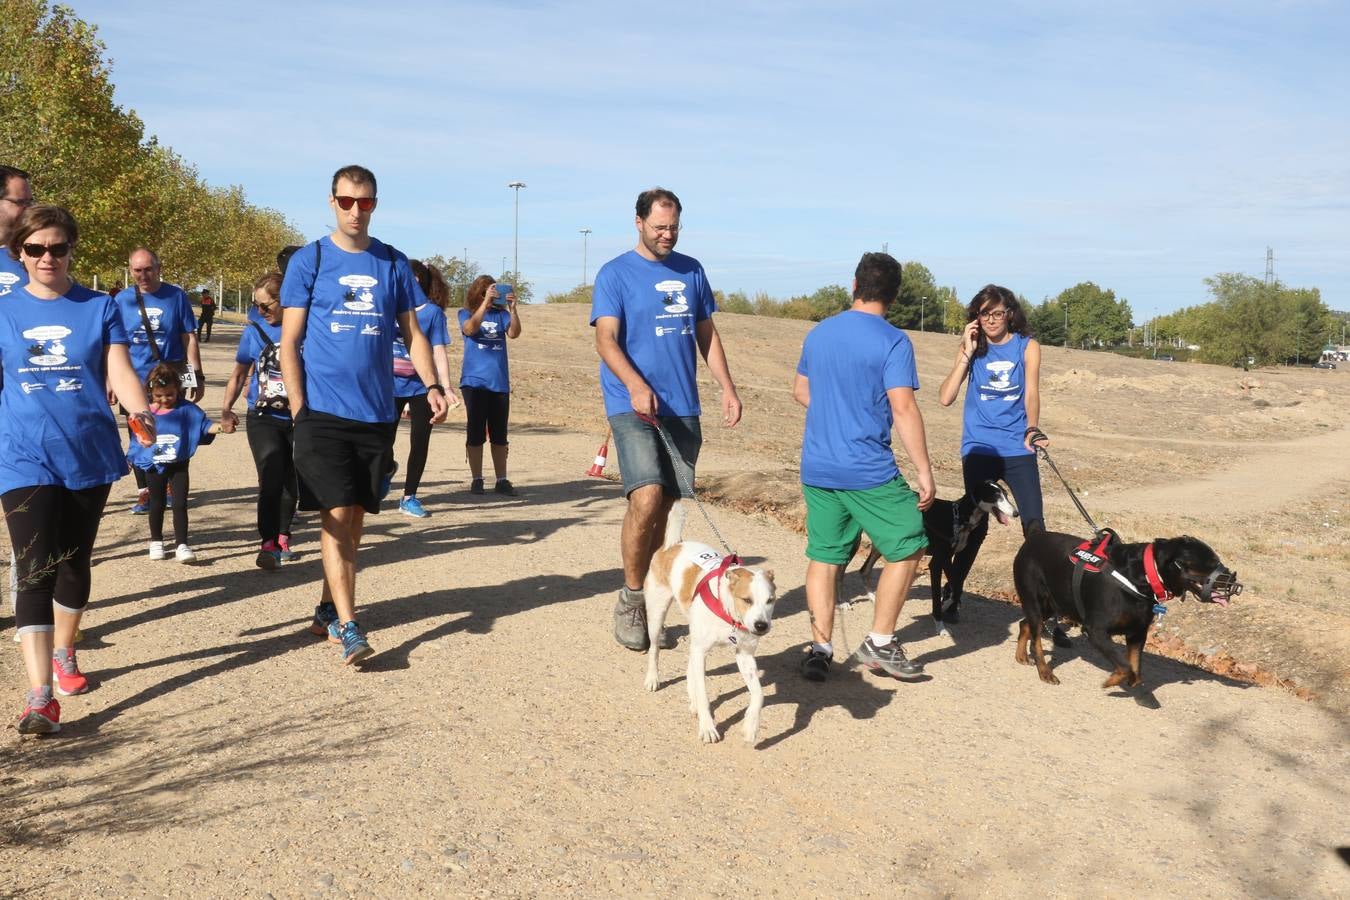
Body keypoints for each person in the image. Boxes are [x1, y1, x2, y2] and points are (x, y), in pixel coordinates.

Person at [279, 164, 448, 665]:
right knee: (335, 513)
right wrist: (298, 407)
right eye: (348, 201)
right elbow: (290, 342)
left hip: (377, 413)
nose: (356, 210)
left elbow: (414, 335)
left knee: (354, 515)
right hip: (323, 411)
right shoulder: (310, 260)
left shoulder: (393, 263)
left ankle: (328, 609)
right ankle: (351, 625)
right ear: (332, 201)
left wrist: (433, 385)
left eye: (366, 202)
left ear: (375, 204)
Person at [1, 204, 155, 733]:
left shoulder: (99, 307)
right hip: (22, 454)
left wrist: (139, 413)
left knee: (73, 562)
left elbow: (119, 368)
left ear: (71, 250)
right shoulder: (2, 310)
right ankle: (40, 694)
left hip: (87, 448)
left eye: (57, 248)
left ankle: (65, 651)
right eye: (35, 248)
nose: (47, 257)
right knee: (35, 567)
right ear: (19, 252)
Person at [590, 187, 742, 652]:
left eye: (673, 227)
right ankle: (631, 598)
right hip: (630, 403)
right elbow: (606, 341)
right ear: (638, 223)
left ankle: (652, 591)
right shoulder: (614, 274)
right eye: (659, 226)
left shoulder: (691, 270)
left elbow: (707, 335)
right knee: (647, 496)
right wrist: (635, 385)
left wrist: (727, 386)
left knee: (665, 505)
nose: (667, 234)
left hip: (682, 407)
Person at [793, 252, 936, 681]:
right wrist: (924, 471)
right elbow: (903, 406)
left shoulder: (819, 333)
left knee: (825, 554)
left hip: (818, 465)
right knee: (909, 544)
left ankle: (820, 648)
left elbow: (801, 390)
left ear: (854, 284)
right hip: (866, 468)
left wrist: (836, 415)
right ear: (894, 294)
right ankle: (881, 642)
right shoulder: (893, 340)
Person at [938, 285, 1051, 620]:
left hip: (1017, 448)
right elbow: (945, 397)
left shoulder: (1027, 347)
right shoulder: (974, 349)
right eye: (983, 313)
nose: (990, 320)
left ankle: (1046, 609)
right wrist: (965, 352)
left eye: (997, 313)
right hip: (979, 448)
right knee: (976, 525)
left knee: (1035, 525)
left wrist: (1032, 427)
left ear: (1009, 314)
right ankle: (953, 593)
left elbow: (1031, 391)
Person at [112, 247, 204, 513]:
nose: (143, 275)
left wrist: (195, 375)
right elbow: (114, 343)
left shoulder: (176, 296)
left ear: (159, 268)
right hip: (134, 378)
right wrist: (111, 378)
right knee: (138, 434)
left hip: (168, 378)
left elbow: (189, 337)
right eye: (137, 270)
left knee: (170, 431)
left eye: (148, 269)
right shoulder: (121, 300)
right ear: (130, 270)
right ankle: (146, 492)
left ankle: (169, 486)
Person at [222, 273, 300, 569]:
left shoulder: (305, 328)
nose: (261, 312)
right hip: (263, 415)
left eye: (266, 306)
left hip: (298, 416)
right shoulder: (253, 331)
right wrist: (226, 408)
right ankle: (268, 543)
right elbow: (240, 373)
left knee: (293, 479)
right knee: (270, 473)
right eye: (257, 306)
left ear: (285, 301)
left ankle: (283, 534)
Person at [129, 362, 232, 562]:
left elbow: (205, 426)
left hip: (179, 466)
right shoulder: (146, 413)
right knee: (156, 503)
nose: (165, 399)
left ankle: (182, 544)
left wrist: (222, 428)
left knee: (179, 504)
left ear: (178, 390)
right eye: (159, 396)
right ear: (150, 393)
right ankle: (156, 541)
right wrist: (130, 459)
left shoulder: (188, 410)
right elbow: (137, 440)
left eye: (170, 395)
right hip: (154, 466)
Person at [394, 260, 459, 517]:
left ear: (415, 280)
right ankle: (386, 470)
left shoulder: (432, 313)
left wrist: (445, 387)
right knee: (380, 441)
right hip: (388, 385)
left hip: (422, 387)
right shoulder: (388, 308)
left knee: (420, 442)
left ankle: (409, 496)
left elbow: (438, 352)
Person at [459, 274, 520, 497]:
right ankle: (477, 479)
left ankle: (501, 479)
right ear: (479, 292)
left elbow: (514, 333)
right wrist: (484, 304)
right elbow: (469, 329)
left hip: (499, 382)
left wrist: (513, 310)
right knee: (475, 432)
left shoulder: (502, 315)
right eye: (487, 290)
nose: (493, 294)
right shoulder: (465, 313)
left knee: (499, 434)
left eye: (495, 291)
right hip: (474, 383)